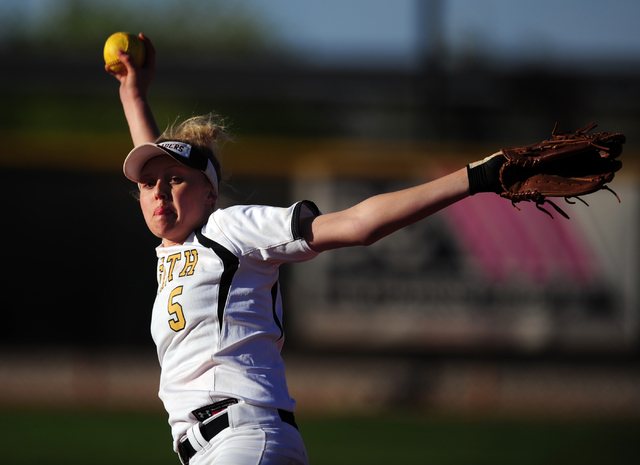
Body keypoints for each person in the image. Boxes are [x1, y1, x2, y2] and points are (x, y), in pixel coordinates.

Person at [107, 33, 504, 465]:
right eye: (148, 184)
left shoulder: (229, 229)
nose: (158, 192)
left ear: (209, 195)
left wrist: (475, 178)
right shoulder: (175, 250)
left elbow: (358, 225)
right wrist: (133, 93)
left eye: (175, 180)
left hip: (242, 439)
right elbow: (158, 165)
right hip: (220, 449)